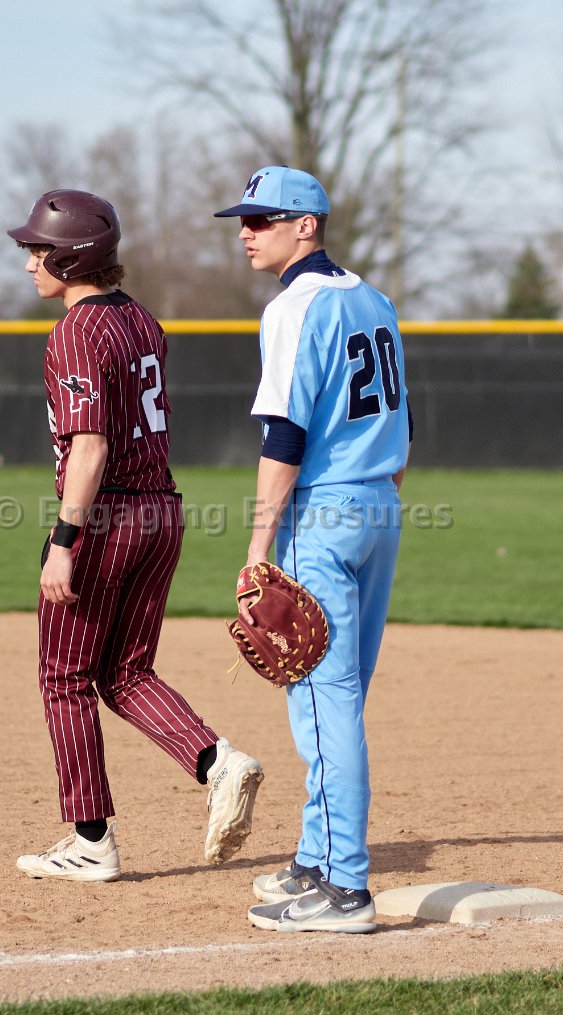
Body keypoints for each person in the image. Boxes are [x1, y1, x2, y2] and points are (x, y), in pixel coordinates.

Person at [8, 189, 263, 881]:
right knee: (124, 673)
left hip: (106, 516)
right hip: (160, 512)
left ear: (70, 257)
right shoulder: (140, 320)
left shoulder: (75, 330)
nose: (29, 263)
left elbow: (89, 446)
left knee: (64, 679)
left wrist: (64, 539)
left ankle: (90, 841)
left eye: (38, 250)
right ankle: (219, 762)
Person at [214, 166, 411, 933]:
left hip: (322, 516)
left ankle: (345, 889)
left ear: (306, 225)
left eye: (262, 218)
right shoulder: (374, 300)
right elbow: (401, 426)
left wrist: (258, 546)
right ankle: (314, 855)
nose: (246, 232)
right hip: (380, 506)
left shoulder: (293, 307)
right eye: (243, 219)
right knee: (340, 698)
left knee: (325, 705)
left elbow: (285, 436)